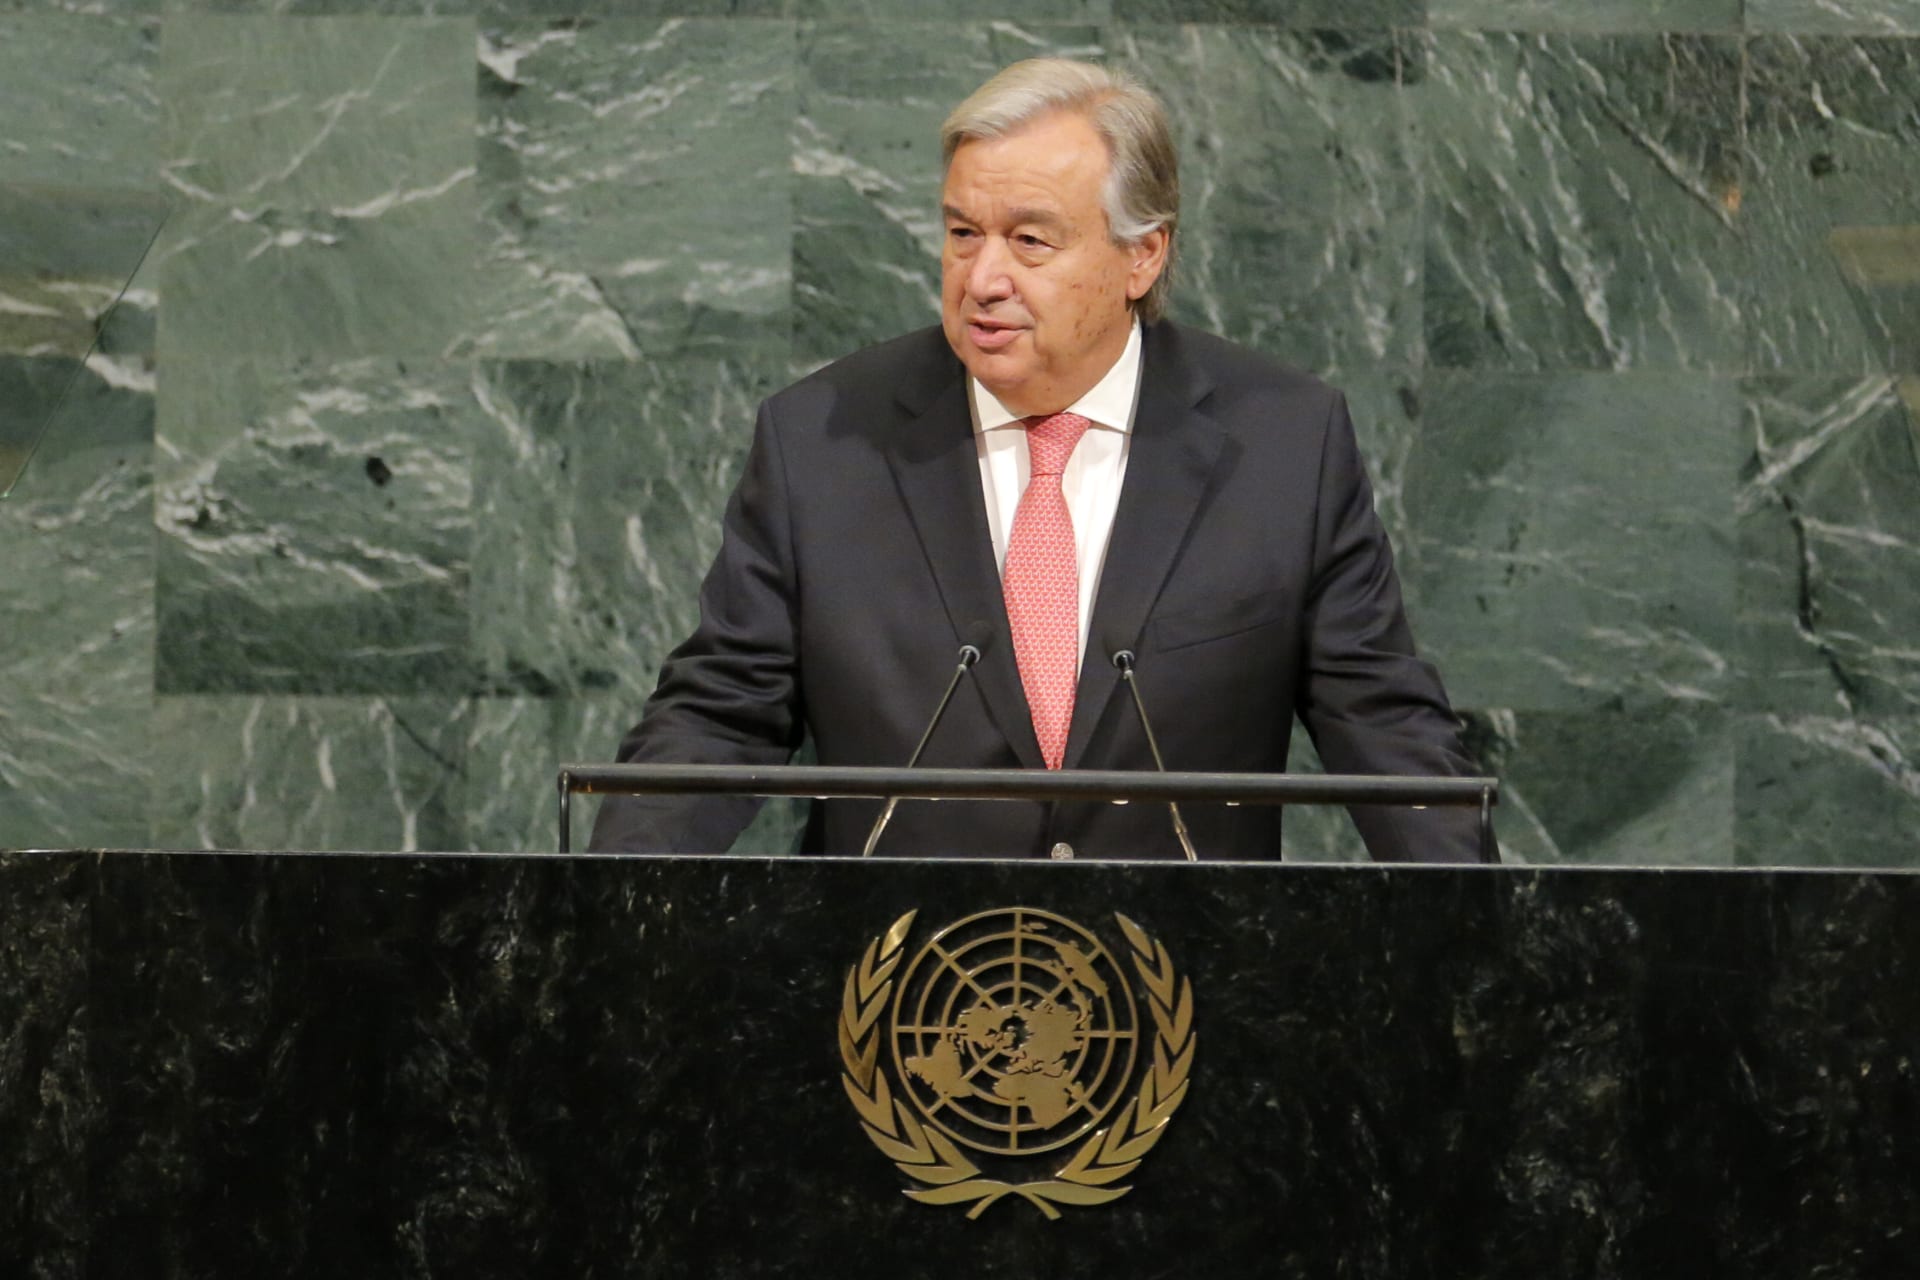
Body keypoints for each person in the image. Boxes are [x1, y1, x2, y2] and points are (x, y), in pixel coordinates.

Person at [588, 58, 1490, 863]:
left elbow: (1385, 729)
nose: (982, 279)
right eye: (961, 234)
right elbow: (718, 713)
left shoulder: (1284, 447)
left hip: (1193, 1004)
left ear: (1143, 254)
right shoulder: (821, 441)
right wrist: (604, 912)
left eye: (1030, 240)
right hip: (899, 1006)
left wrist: (1493, 947)